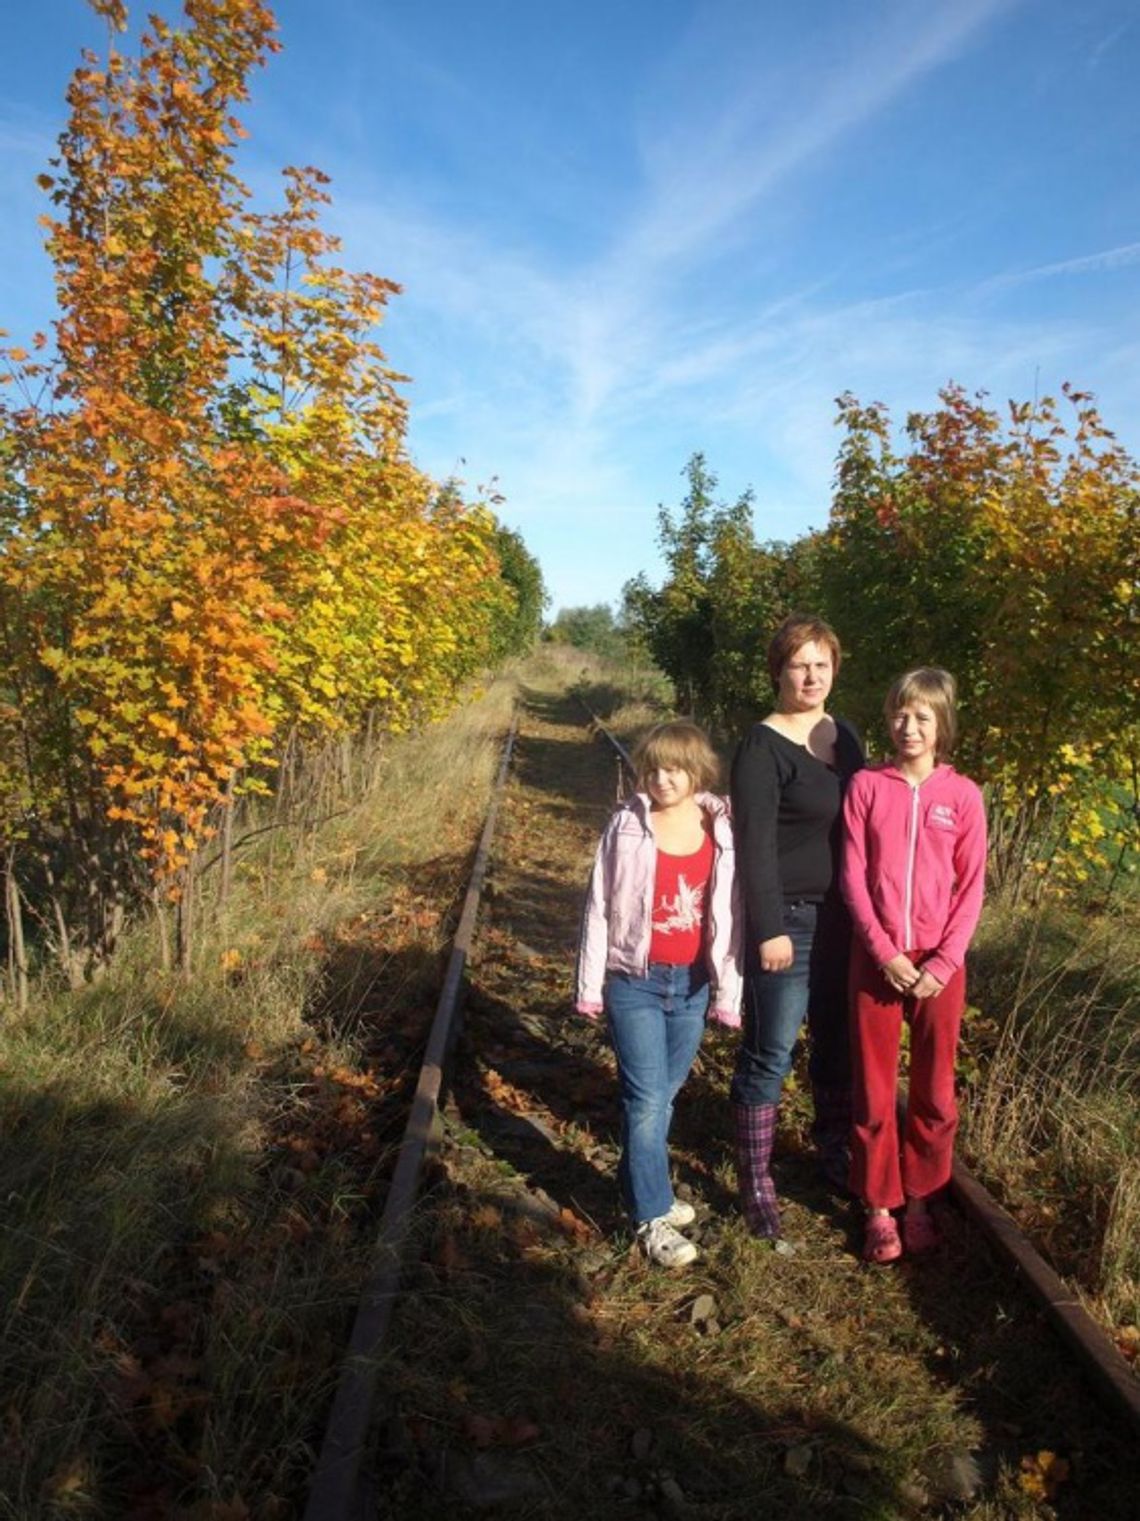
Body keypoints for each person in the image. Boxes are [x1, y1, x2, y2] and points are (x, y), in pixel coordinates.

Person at [576, 720, 742, 1268]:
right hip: (635, 982)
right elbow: (599, 904)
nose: (662, 779)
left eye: (674, 769)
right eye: (652, 769)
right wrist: (590, 985)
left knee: (660, 1098)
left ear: (697, 772)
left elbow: (733, 914)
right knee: (647, 1101)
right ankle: (651, 1215)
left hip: (692, 984)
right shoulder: (627, 825)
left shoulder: (722, 827)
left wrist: (729, 991)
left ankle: (640, 1189)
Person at [840, 667, 987, 1263]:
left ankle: (923, 1198)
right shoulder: (866, 786)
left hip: (938, 964)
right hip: (878, 957)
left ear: (941, 724)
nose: (909, 727)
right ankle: (879, 1205)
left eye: (923, 716)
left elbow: (972, 888)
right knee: (874, 1087)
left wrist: (945, 961)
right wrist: (883, 951)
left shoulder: (963, 796)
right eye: (901, 714)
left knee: (935, 1088)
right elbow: (853, 876)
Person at [729, 614, 864, 1241]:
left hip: (847, 920)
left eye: (821, 665)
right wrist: (768, 928)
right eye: (799, 665)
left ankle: (835, 1153)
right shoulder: (762, 746)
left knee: (837, 1046)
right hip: (789, 921)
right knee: (771, 1051)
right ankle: (756, 1181)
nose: (811, 676)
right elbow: (754, 845)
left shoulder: (847, 736)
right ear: (778, 672)